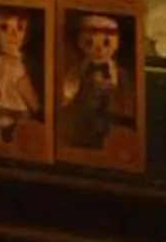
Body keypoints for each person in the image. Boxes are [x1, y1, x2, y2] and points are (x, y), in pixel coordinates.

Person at [56, 8, 133, 154]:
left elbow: (125, 99)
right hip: (83, 121)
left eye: (105, 43)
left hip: (110, 119)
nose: (98, 50)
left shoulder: (120, 73)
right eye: (90, 43)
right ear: (80, 42)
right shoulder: (79, 69)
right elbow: (66, 94)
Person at [0, 7, 42, 145]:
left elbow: (24, 84)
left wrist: (35, 106)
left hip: (17, 106)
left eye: (20, 28)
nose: (13, 34)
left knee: (18, 131)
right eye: (4, 28)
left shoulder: (22, 62)